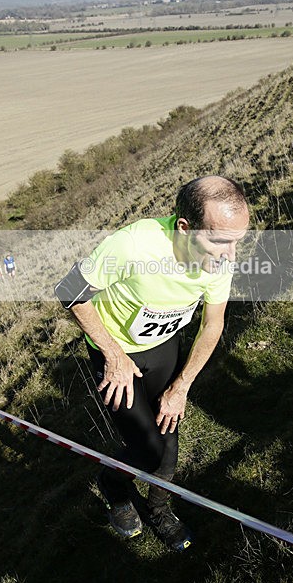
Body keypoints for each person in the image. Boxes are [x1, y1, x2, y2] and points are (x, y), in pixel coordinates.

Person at [55, 176, 250, 550]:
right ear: (184, 228)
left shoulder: (218, 259)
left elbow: (213, 323)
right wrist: (114, 355)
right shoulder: (134, 245)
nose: (231, 256)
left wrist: (182, 386)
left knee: (169, 441)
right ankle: (114, 488)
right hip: (115, 352)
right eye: (221, 241)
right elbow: (69, 292)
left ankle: (159, 509)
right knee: (145, 449)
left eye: (237, 242)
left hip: (163, 348)